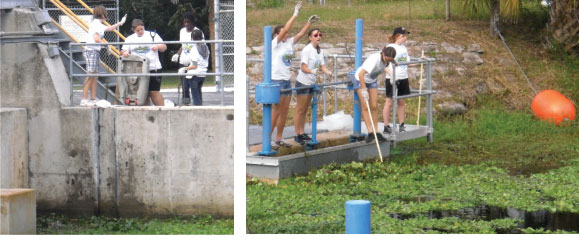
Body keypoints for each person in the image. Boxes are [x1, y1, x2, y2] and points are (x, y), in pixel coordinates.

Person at [269, 1, 319, 149]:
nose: (287, 34)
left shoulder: (288, 43)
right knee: (276, 110)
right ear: (277, 34)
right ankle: (268, 138)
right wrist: (295, 13)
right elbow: (286, 29)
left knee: (284, 112)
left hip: (286, 80)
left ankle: (279, 138)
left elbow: (301, 34)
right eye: (283, 33)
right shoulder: (274, 43)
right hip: (276, 80)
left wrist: (308, 23)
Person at [80, 5, 126, 106]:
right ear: (102, 14)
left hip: (94, 51)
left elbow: (109, 28)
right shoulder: (96, 24)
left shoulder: (99, 24)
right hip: (90, 51)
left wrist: (120, 23)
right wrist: (106, 44)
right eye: (105, 13)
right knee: (90, 74)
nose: (107, 15)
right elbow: (96, 38)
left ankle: (92, 99)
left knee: (95, 75)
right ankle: (83, 99)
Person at [293, 28, 332, 145]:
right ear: (310, 37)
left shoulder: (320, 51)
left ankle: (302, 132)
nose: (318, 37)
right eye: (315, 35)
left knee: (305, 110)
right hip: (303, 82)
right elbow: (303, 67)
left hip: (311, 83)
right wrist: (311, 71)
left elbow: (322, 66)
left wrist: (328, 72)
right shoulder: (307, 50)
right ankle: (298, 134)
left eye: (320, 35)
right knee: (300, 109)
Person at [120, 19, 167, 106]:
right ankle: (146, 113)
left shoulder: (152, 35)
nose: (140, 31)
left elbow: (164, 47)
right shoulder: (130, 39)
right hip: (138, 70)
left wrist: (158, 46)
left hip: (153, 68)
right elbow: (122, 50)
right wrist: (125, 53)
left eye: (142, 29)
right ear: (134, 30)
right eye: (138, 30)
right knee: (142, 94)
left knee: (154, 92)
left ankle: (162, 110)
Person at [354, 47, 396, 143]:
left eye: (390, 59)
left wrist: (392, 73)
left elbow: (389, 63)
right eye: (387, 58)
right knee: (365, 106)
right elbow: (361, 74)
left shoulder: (388, 59)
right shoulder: (374, 59)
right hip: (360, 80)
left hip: (372, 81)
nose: (387, 60)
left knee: (374, 106)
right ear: (383, 54)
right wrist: (364, 90)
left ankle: (376, 132)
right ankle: (370, 133)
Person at [172, 11, 205, 105]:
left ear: (192, 22)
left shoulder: (198, 32)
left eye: (188, 22)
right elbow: (183, 45)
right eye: (185, 22)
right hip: (183, 61)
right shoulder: (182, 31)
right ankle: (186, 103)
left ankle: (198, 104)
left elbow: (201, 47)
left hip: (194, 62)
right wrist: (177, 54)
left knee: (194, 85)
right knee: (184, 85)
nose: (186, 24)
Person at [383, 27, 411, 133]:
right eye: (403, 35)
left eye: (405, 35)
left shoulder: (404, 48)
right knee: (389, 102)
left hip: (404, 77)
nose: (405, 38)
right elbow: (384, 64)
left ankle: (401, 125)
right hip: (392, 78)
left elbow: (406, 61)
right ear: (397, 36)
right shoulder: (390, 47)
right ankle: (386, 126)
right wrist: (392, 75)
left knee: (401, 101)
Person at [178, 29, 210, 106]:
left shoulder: (194, 49)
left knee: (195, 94)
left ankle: (197, 109)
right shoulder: (206, 48)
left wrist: (184, 69)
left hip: (194, 75)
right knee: (198, 92)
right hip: (202, 74)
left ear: (192, 38)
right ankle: (200, 107)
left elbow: (194, 66)